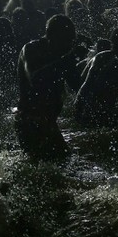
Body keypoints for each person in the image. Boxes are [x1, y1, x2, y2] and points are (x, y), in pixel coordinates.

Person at [14, 14, 87, 161]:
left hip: (49, 121)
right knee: (45, 165)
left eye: (71, 41)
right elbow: (35, 79)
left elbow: (77, 86)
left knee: (63, 161)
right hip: (29, 120)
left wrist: (90, 66)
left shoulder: (63, 55)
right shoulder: (31, 49)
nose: (68, 45)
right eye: (65, 40)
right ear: (50, 35)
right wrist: (68, 58)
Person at [73, 22, 118, 127]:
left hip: (104, 112)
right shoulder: (102, 59)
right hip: (90, 111)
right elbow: (86, 87)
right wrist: (78, 111)